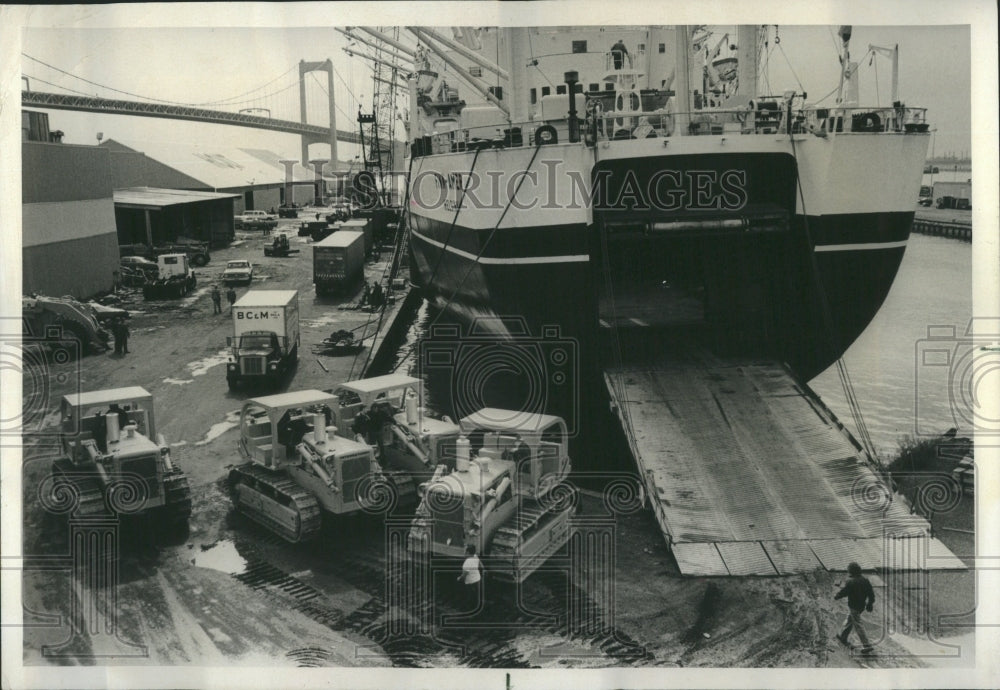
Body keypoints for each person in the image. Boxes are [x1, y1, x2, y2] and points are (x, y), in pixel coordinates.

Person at [835, 561, 876, 653]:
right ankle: (843, 637)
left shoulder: (851, 582)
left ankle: (867, 645)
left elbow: (844, 592)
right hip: (861, 606)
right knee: (850, 620)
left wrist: (837, 596)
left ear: (851, 571)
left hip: (854, 606)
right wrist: (870, 604)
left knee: (858, 624)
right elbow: (871, 594)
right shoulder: (865, 580)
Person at [457, 543, 483, 615]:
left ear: (468, 552)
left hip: (470, 582)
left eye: (465, 551)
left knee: (470, 596)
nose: (464, 552)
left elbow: (464, 575)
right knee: (476, 596)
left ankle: (469, 611)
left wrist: (459, 578)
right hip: (478, 579)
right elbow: (480, 565)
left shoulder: (467, 563)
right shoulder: (475, 556)